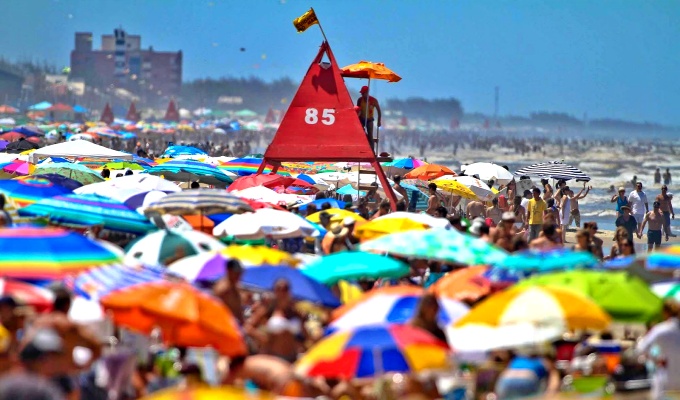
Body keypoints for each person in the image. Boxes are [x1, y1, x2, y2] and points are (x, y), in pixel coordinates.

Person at [21, 288, 102, 399]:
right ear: (68, 305)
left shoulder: (37, 322)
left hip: (35, 375)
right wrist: (79, 367)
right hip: (61, 375)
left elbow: (23, 350)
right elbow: (96, 346)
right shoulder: (67, 325)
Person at [245, 279, 308, 363]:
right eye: (279, 289)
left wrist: (301, 342)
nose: (282, 292)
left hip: (292, 357)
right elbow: (248, 327)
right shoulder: (269, 309)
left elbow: (306, 335)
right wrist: (262, 338)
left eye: (285, 289)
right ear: (274, 291)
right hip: (272, 356)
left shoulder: (294, 312)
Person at [636, 300, 680, 399]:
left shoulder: (661, 329)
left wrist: (656, 358)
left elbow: (642, 348)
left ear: (665, 313)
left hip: (667, 378)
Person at [213, 259, 244, 324]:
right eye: (236, 272)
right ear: (229, 271)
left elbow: (238, 309)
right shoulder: (223, 289)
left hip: (234, 325)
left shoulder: (235, 286)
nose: (239, 275)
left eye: (240, 272)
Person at [356, 85, 382, 153]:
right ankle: (361, 148)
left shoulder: (373, 100)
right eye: (361, 93)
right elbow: (357, 110)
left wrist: (379, 121)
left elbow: (379, 111)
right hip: (361, 119)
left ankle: (372, 151)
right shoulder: (359, 100)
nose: (362, 94)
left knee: (370, 134)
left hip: (369, 119)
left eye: (363, 93)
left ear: (367, 92)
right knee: (361, 133)